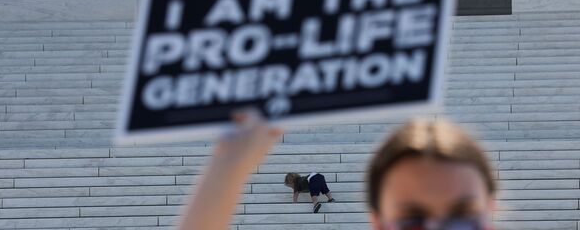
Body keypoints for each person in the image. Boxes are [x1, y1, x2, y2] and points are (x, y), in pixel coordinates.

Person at [176, 110, 496, 230]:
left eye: (463, 216)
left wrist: (226, 169)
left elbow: (297, 193)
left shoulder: (298, 182)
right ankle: (326, 200)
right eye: (412, 220)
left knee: (317, 191)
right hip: (318, 175)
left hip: (314, 178)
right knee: (322, 189)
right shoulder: (301, 178)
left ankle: (322, 202)